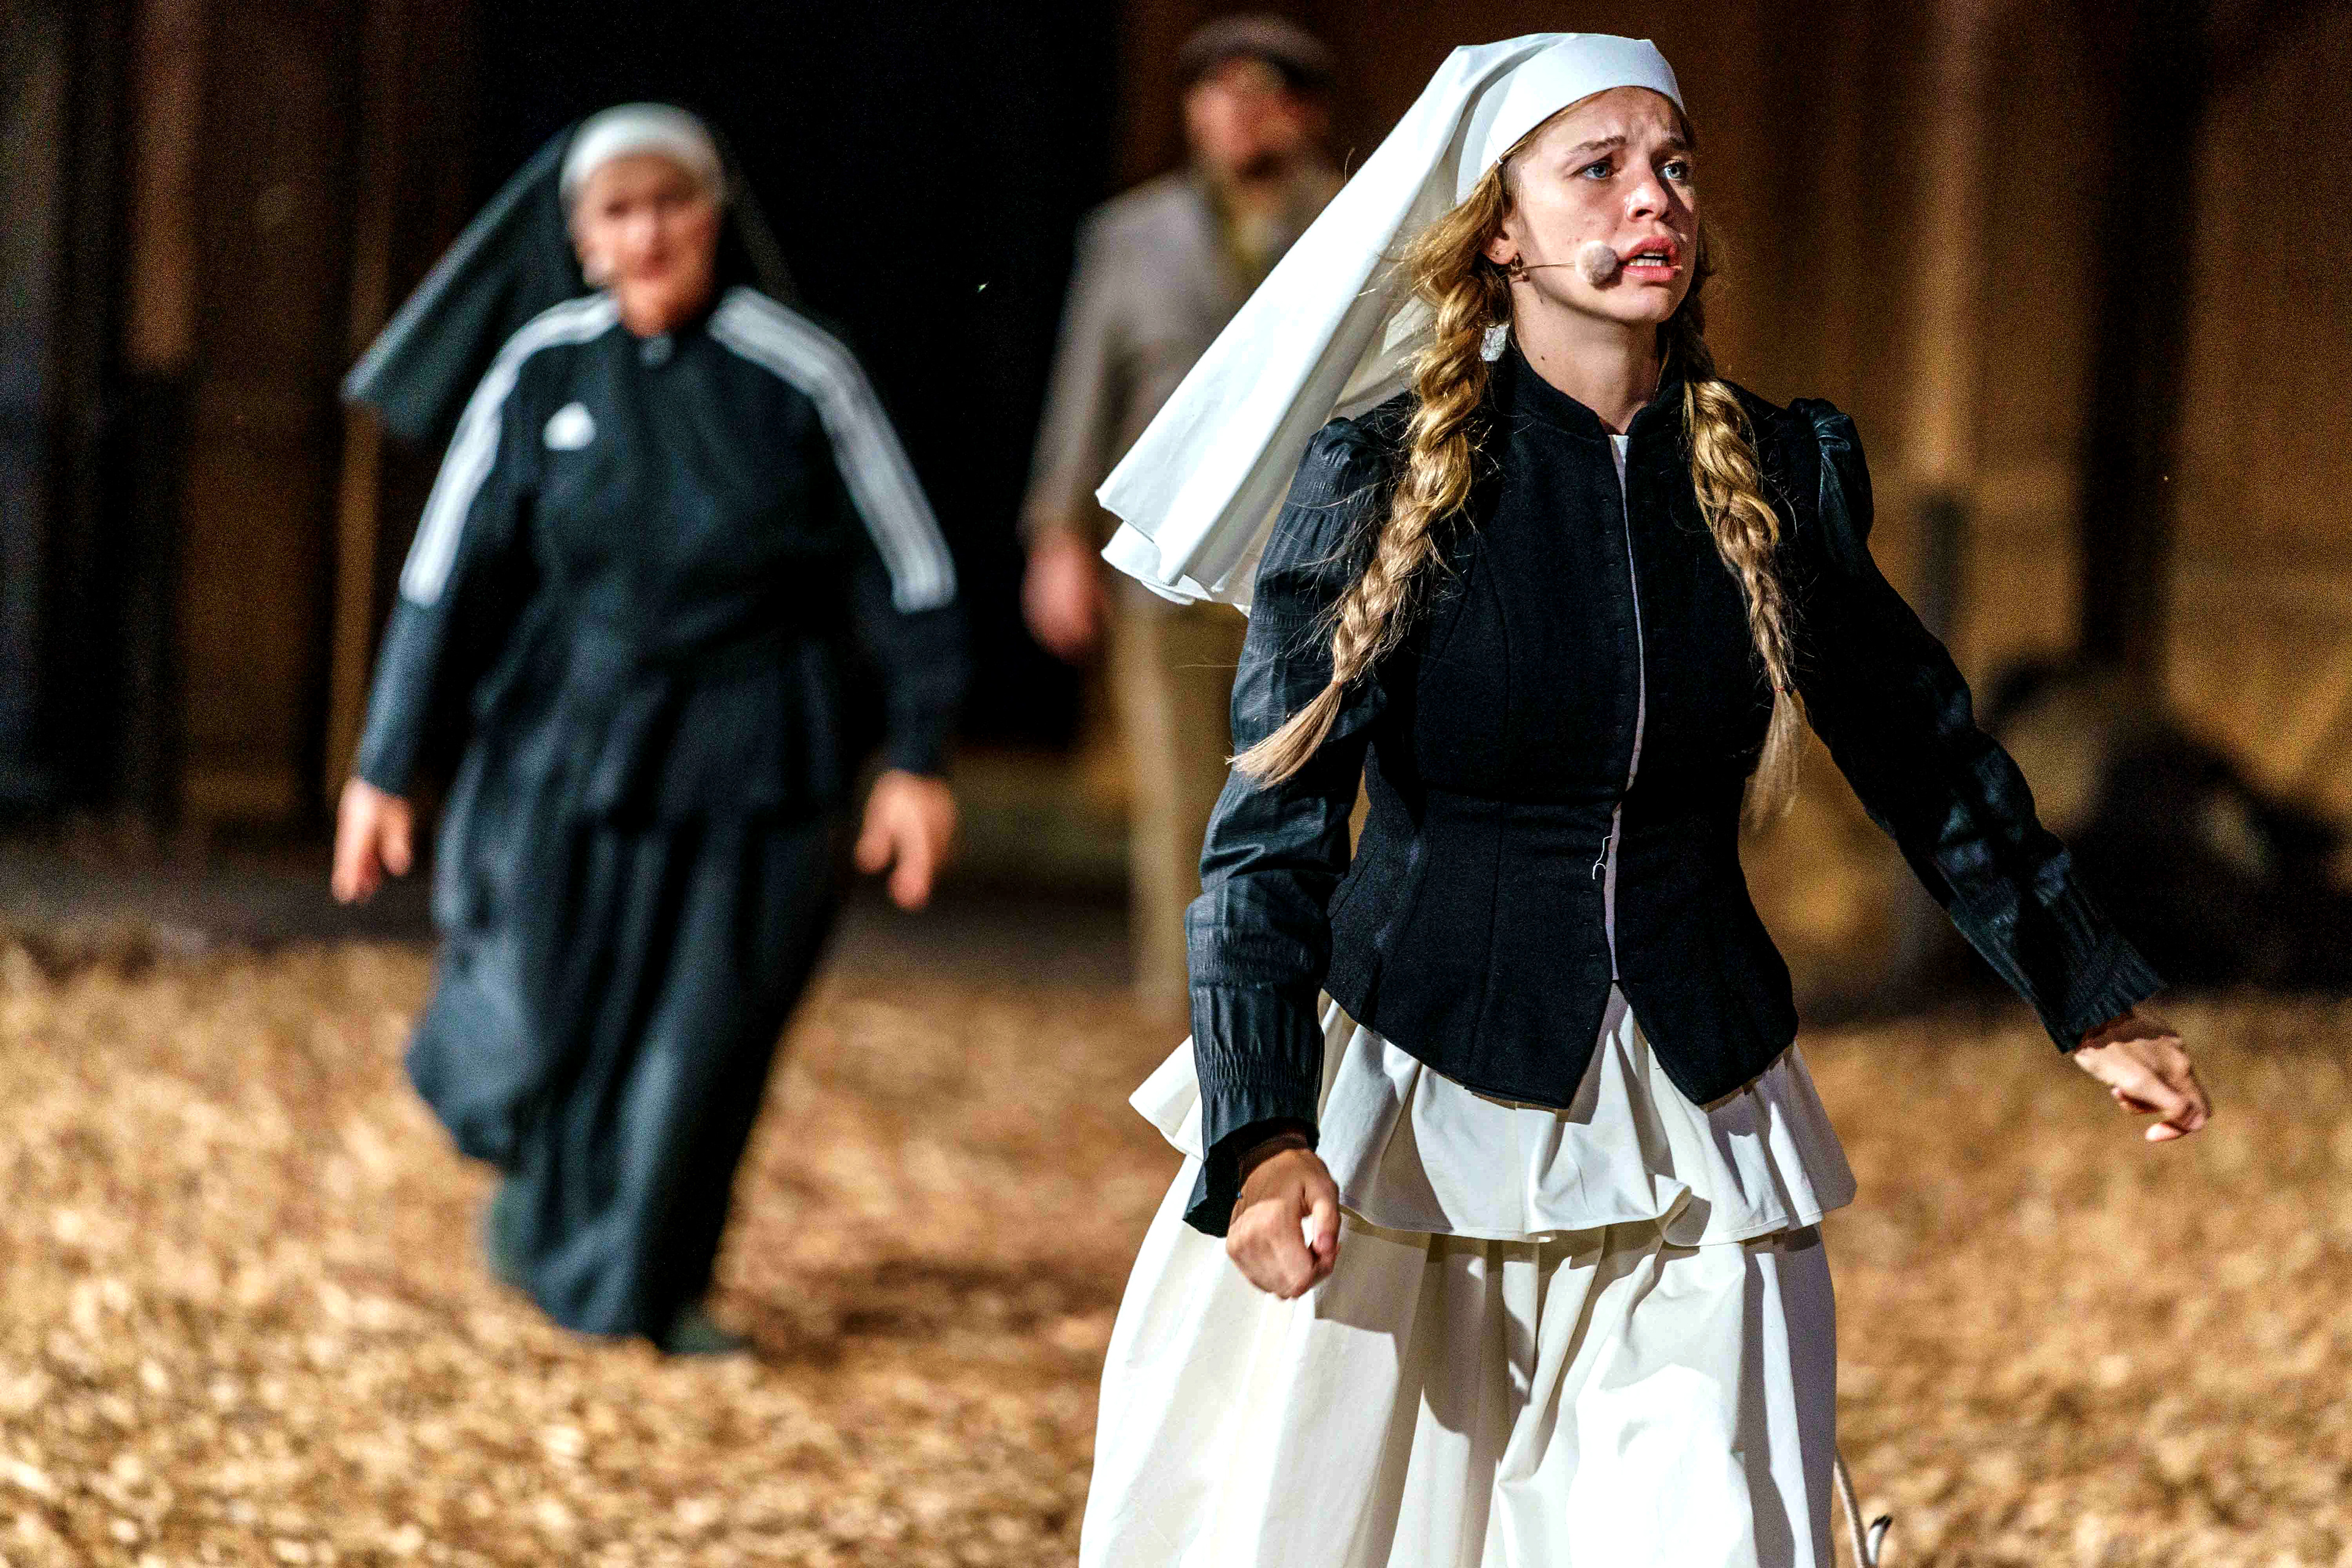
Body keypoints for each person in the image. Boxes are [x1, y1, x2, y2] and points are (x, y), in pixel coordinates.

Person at [1078, 35, 2212, 1566]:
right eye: (1598, 169)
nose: (1653, 198)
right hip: (1411, 1108)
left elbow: (1925, 749)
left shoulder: (1775, 472)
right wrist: (1264, 1127)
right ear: (1501, 231)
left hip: (1700, 1110)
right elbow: (1269, 835)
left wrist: (2091, 992)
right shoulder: (1379, 481)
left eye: (1673, 165)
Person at [330, 105, 967, 1355]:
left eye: (671, 204)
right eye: (618, 213)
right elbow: (443, 578)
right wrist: (385, 765)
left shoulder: (800, 369)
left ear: (715, 216)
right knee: (533, 1002)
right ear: (581, 237)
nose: (647, 234)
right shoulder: (541, 368)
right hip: (568, 730)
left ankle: (647, 1291)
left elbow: (910, 571)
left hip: (756, 747)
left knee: (698, 1033)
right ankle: (545, 1219)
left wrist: (917, 757)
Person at [1021, 15, 1341, 1014]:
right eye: (1219, 93)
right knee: (1177, 796)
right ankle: (1185, 1011)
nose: (1241, 115)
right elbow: (1086, 391)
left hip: (1313, 552)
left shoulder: (1353, 222)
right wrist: (1057, 535)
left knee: (1305, 784)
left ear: (1304, 112)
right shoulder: (1132, 234)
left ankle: (1305, 1002)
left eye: (1265, 93)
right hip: (1170, 550)